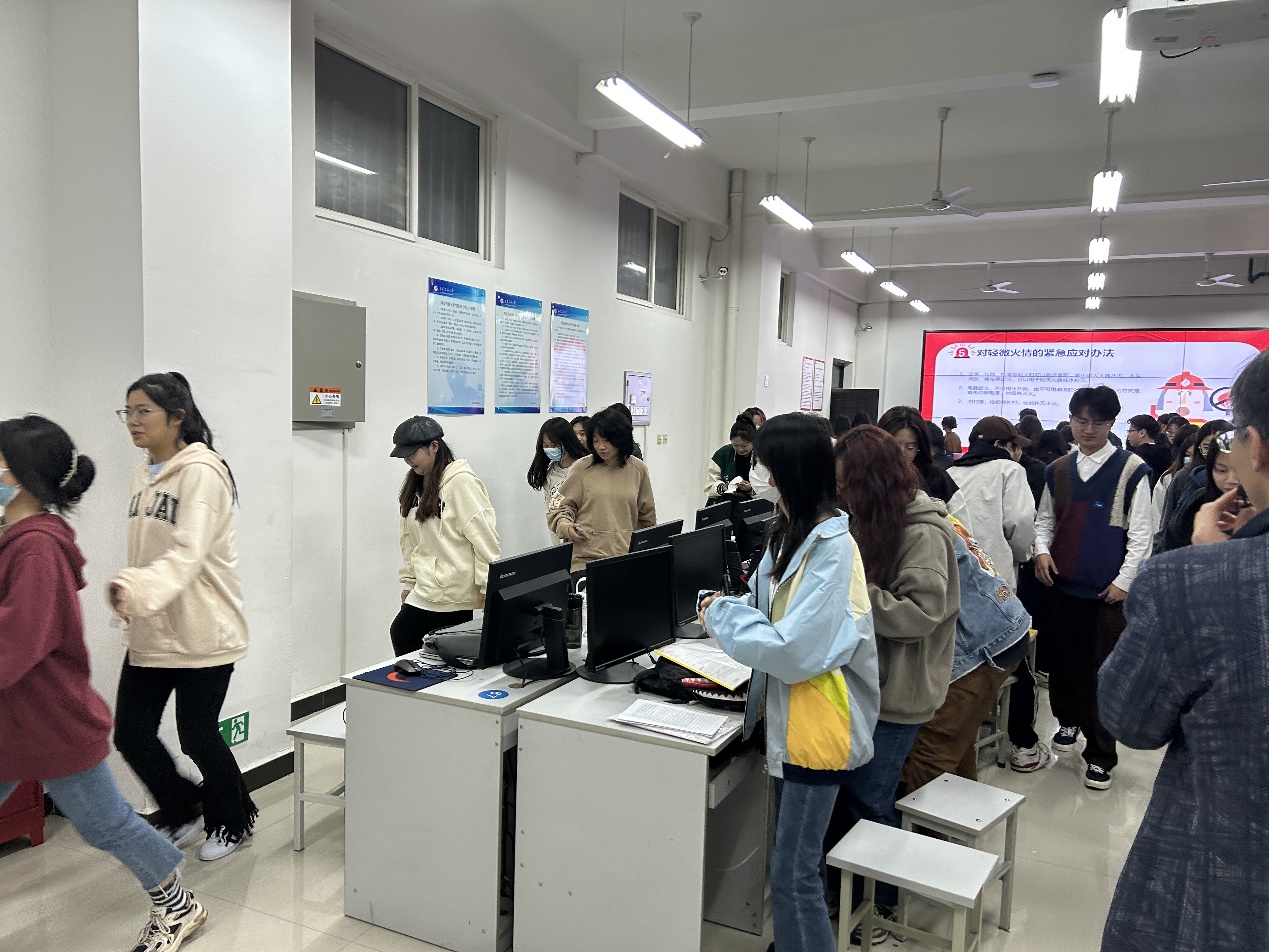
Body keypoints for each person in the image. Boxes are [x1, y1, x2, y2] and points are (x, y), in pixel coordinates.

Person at [0, 415, 209, 952]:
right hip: (12, 720)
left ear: (18, 474)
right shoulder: (14, 539)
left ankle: (177, 905)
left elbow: (15, 644)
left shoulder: (37, 549)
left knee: (105, 824)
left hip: (51, 721)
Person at [1098, 350, 1269, 952]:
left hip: (1220, 898)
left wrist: (1204, 563)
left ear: (1255, 446)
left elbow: (1130, 719)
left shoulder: (1194, 584)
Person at [701, 412, 879, 952]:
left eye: (768, 466)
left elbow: (793, 649)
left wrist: (721, 617)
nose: (762, 477)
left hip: (818, 726)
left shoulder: (833, 549)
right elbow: (764, 603)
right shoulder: (792, 529)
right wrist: (730, 608)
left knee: (793, 874)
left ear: (791, 471)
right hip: (791, 717)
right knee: (795, 865)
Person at [106, 374, 257, 866]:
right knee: (131, 734)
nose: (133, 421)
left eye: (143, 411)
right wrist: (136, 597)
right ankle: (183, 808)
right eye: (127, 411)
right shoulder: (142, 475)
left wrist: (135, 588)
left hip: (203, 631)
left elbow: (186, 555)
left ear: (177, 417)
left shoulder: (203, 474)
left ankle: (233, 820)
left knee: (197, 736)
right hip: (152, 630)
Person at [830, 425, 958, 934]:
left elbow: (918, 614)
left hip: (898, 693)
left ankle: (880, 905)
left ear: (874, 483)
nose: (842, 496)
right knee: (850, 797)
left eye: (848, 486)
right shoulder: (871, 520)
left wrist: (847, 591)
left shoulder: (922, 532)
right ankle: (848, 893)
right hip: (866, 685)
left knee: (869, 800)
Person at [1033, 386, 1153, 790]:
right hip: (1062, 586)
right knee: (1063, 664)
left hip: (1107, 594)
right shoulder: (1058, 470)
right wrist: (1041, 551)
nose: (1088, 429)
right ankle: (1067, 722)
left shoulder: (1131, 470)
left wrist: (1124, 582)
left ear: (1111, 424)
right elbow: (1045, 520)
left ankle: (1101, 755)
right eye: (1080, 421)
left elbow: (1142, 534)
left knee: (1102, 672)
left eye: (1097, 422)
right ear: (1070, 421)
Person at [897, 516, 1032, 796]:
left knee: (931, 750)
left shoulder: (916, 530)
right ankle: (959, 818)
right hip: (1003, 624)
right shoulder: (934, 513)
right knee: (959, 738)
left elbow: (917, 612)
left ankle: (923, 825)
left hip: (982, 643)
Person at [391, 415, 500, 656]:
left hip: (453, 588)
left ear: (434, 446)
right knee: (413, 638)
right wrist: (409, 582)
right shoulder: (415, 485)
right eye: (404, 455)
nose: (408, 460)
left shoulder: (461, 482)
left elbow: (483, 537)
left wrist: (487, 584)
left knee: (406, 633)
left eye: (413, 453)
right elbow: (409, 540)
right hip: (427, 586)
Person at [548, 406, 656, 575]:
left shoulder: (638, 469)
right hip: (585, 560)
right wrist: (566, 526)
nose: (601, 447)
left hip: (625, 559)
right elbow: (558, 507)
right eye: (596, 440)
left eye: (606, 440)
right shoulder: (582, 467)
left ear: (621, 439)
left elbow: (647, 518)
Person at [946, 416, 1037, 587]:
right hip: (996, 571)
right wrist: (1024, 554)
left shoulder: (950, 473)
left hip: (955, 571)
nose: (1017, 452)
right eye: (1013, 446)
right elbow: (1020, 520)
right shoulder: (1010, 470)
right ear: (998, 444)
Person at [876, 406, 973, 530]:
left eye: (910, 447)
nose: (901, 453)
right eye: (893, 445)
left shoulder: (937, 479)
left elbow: (963, 530)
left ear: (920, 448)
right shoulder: (868, 475)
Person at [1153, 420, 1232, 549]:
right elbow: (1168, 525)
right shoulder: (1187, 478)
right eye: (1207, 447)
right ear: (1198, 447)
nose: (1231, 479)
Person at [526, 417, 588, 513]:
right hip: (558, 520)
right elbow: (551, 506)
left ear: (567, 443)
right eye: (546, 445)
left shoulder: (585, 467)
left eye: (554, 445)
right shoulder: (551, 472)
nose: (550, 449)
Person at [705, 413, 769, 502]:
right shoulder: (723, 453)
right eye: (735, 445)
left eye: (744, 445)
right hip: (724, 503)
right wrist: (723, 487)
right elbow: (709, 487)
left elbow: (769, 489)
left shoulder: (762, 455)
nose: (740, 449)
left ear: (754, 441)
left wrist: (751, 489)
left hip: (754, 505)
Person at [1151, 430, 1196, 536]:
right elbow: (1157, 512)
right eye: (1187, 455)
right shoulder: (1169, 477)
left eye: (1195, 455)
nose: (1191, 459)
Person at [1126, 414, 1170, 487]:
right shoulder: (1166, 452)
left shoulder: (1139, 456)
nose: (1128, 435)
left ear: (1142, 433)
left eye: (1130, 431)